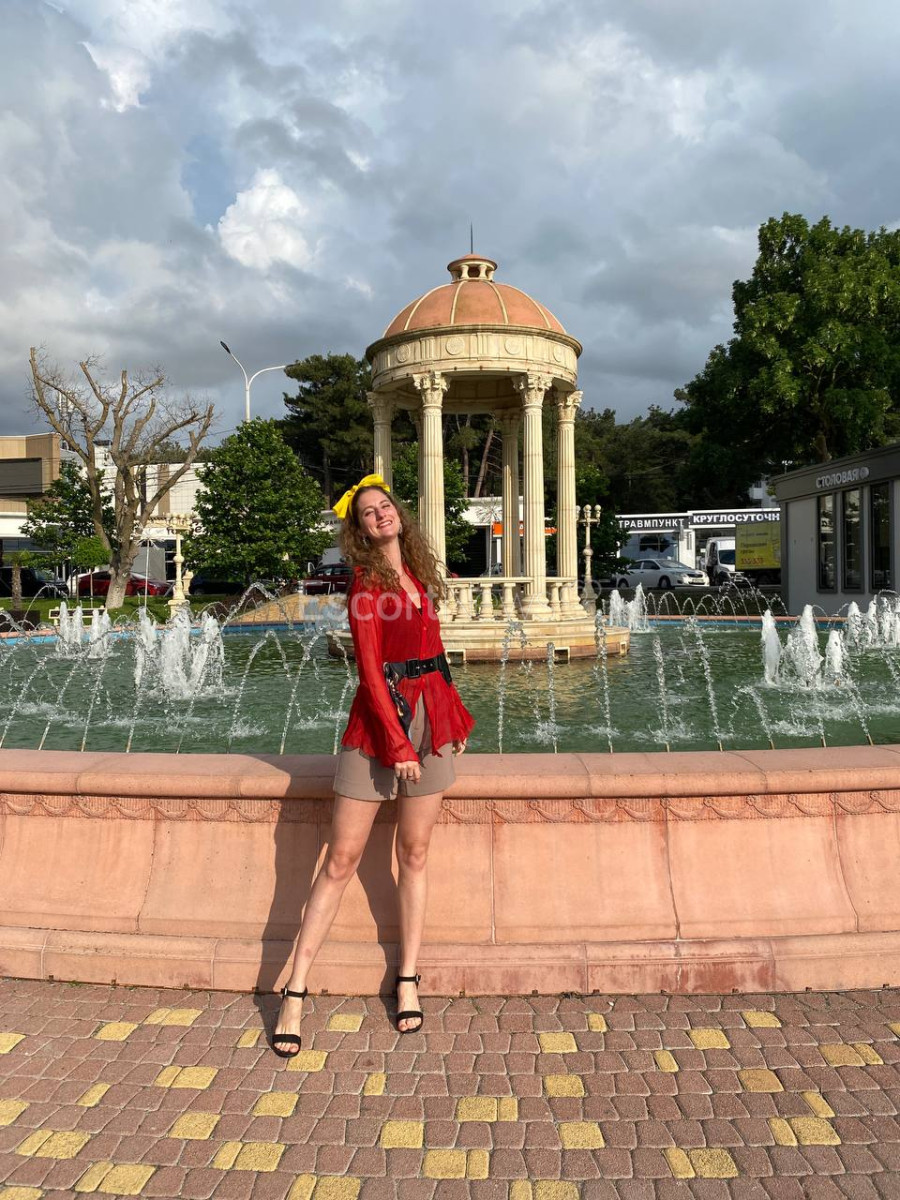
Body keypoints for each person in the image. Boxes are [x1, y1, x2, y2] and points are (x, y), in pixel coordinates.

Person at [272, 473, 475, 1055]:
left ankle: (407, 978)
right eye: (368, 512)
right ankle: (295, 990)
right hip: (378, 727)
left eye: (386, 506)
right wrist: (398, 745)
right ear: (359, 529)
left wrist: (454, 717)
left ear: (399, 514)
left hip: (430, 721)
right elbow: (369, 671)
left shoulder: (419, 576)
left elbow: (434, 656)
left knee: (415, 855)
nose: (381, 514)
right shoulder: (364, 585)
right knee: (340, 860)